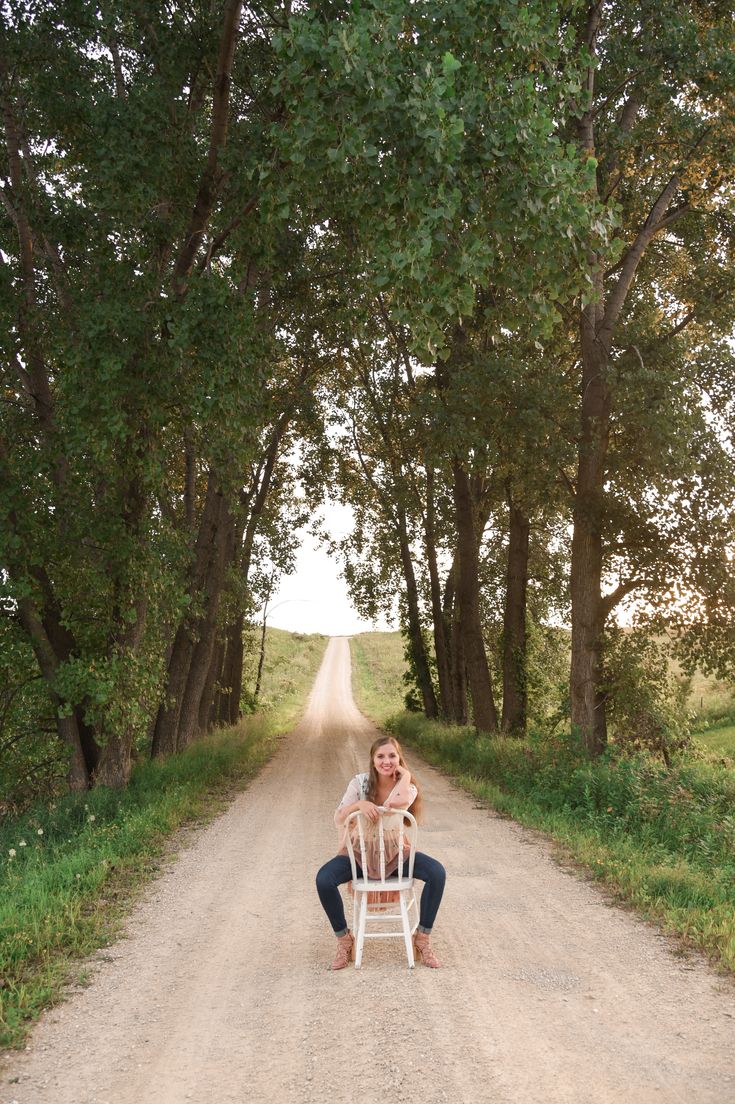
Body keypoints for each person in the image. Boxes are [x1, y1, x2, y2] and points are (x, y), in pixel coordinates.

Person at [316, 735, 446, 970]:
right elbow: (339, 816)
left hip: (395, 853)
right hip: (359, 853)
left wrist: (405, 773)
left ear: (399, 758)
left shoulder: (408, 786)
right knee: (323, 880)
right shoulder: (360, 783)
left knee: (437, 873)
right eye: (381, 756)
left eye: (392, 756)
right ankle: (345, 939)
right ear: (372, 760)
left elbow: (397, 802)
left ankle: (422, 938)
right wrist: (359, 805)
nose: (387, 761)